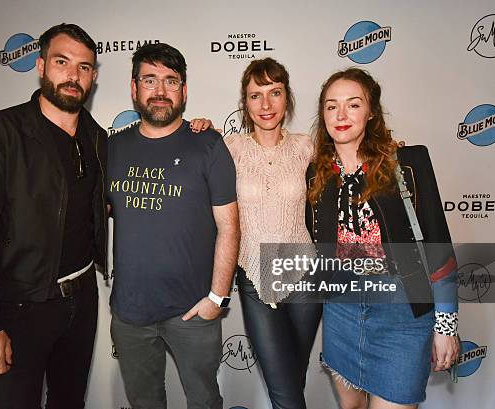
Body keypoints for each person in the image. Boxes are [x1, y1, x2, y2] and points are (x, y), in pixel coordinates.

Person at [0, 23, 106, 409]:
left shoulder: (99, 139)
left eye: (84, 67)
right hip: (19, 308)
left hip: (82, 300)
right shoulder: (0, 132)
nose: (73, 75)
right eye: (62, 62)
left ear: (94, 77)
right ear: (40, 65)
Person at [305, 68, 459, 409]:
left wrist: (446, 324)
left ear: (371, 111)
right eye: (331, 106)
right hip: (341, 312)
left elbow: (438, 246)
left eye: (353, 104)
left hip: (403, 315)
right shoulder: (316, 173)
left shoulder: (407, 163)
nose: (341, 115)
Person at [107, 43, 240, 409]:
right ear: (134, 89)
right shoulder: (111, 148)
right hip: (130, 314)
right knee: (144, 402)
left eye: (171, 81)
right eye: (150, 80)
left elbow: (229, 227)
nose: (161, 91)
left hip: (192, 312)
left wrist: (217, 298)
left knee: (204, 401)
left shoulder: (209, 145)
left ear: (184, 90)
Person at [222, 58, 322, 409]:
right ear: (244, 103)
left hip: (306, 276)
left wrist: (389, 151)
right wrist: (199, 126)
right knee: (285, 392)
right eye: (255, 95)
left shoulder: (306, 147)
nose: (265, 105)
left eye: (274, 93)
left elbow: (351, 158)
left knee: (294, 376)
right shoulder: (229, 148)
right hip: (254, 275)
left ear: (287, 98)